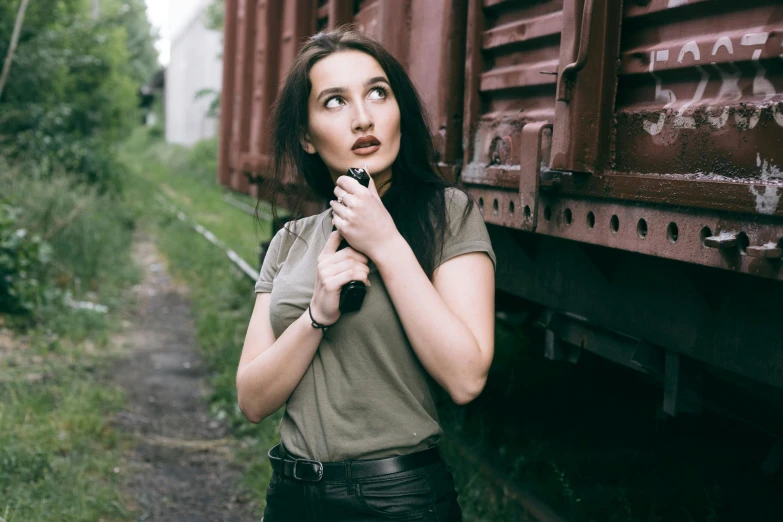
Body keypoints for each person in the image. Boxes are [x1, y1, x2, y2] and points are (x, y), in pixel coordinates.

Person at [236, 25, 496, 522]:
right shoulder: (292, 240)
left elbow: (466, 378)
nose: (362, 118)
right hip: (292, 496)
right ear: (307, 138)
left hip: (398, 499)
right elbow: (251, 399)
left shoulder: (448, 215)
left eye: (378, 92)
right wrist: (315, 315)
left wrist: (386, 243)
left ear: (399, 111)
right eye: (334, 101)